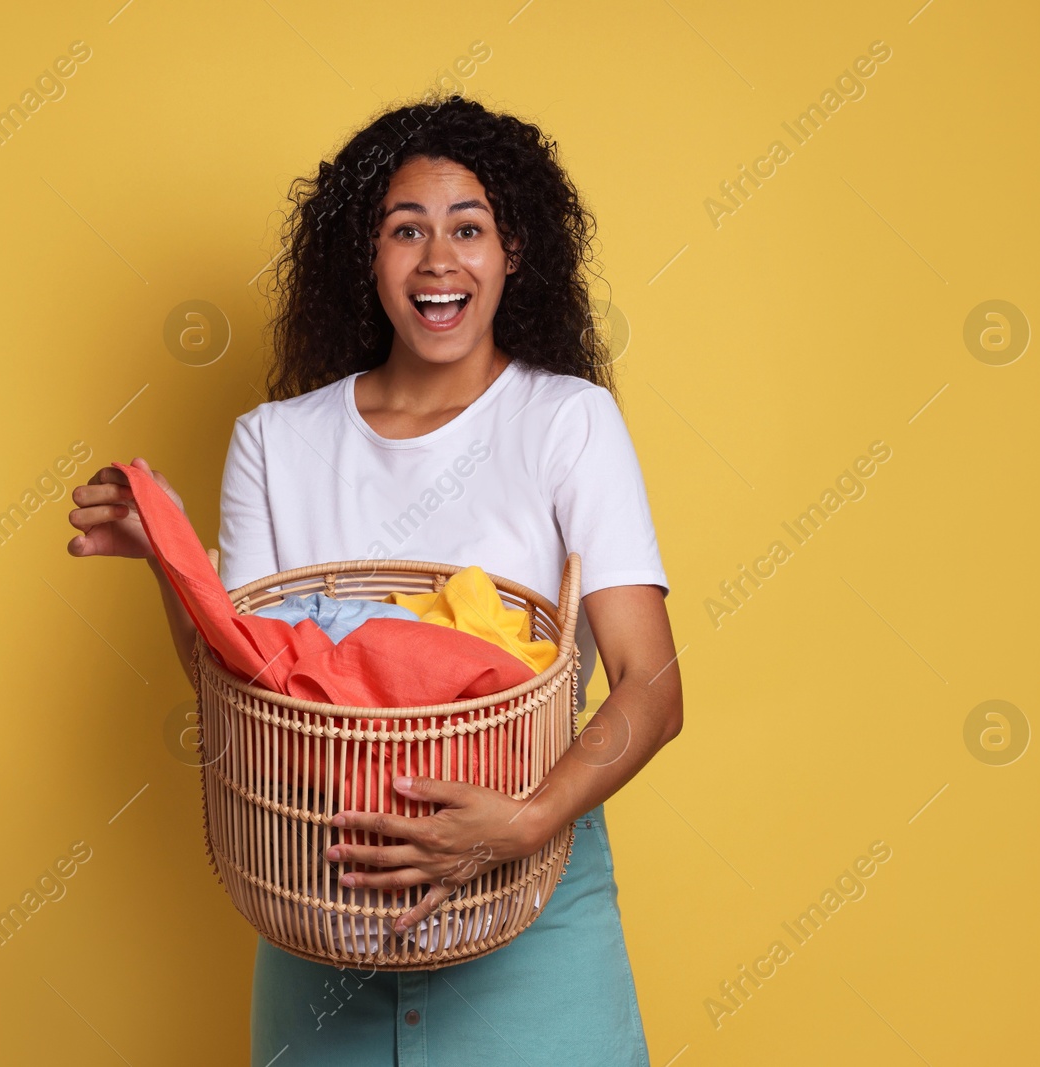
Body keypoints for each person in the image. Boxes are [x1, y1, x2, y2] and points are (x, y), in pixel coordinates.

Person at [66, 93, 683, 1067]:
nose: (438, 259)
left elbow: (650, 683)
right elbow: (243, 682)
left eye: (467, 228)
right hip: (324, 915)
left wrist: (516, 822)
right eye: (406, 230)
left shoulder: (567, 421)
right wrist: (170, 560)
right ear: (367, 255)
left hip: (532, 918)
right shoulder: (276, 443)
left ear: (513, 250)